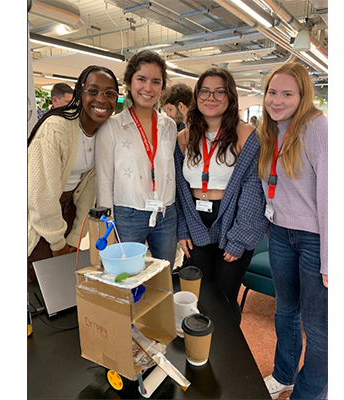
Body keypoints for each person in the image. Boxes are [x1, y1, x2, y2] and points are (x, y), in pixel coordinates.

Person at [174, 67, 268, 325]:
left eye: (219, 92)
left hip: (233, 221)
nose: (211, 98)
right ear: (196, 96)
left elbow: (253, 191)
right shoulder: (184, 137)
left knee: (224, 298)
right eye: (204, 91)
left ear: (230, 97)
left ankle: (229, 348)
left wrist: (240, 237)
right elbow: (179, 190)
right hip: (196, 220)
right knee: (201, 295)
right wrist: (182, 228)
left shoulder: (247, 134)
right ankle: (204, 347)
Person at [257, 63, 328, 399]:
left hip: (315, 239)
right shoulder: (270, 130)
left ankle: (309, 393)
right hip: (280, 234)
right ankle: (284, 374)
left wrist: (330, 258)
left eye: (287, 94)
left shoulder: (317, 127)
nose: (277, 100)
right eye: (272, 92)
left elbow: (331, 196)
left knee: (318, 328)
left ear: (303, 96)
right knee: (285, 310)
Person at [27, 66, 119, 283]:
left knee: (62, 281)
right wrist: (58, 244)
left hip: (67, 210)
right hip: (38, 214)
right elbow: (41, 195)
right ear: (80, 93)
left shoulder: (101, 133)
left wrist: (77, 235)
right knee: (38, 281)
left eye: (109, 93)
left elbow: (88, 191)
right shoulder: (56, 128)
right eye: (93, 91)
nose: (101, 99)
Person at [96, 50, 178, 267]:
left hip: (166, 213)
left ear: (162, 87)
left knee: (164, 275)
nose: (148, 88)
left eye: (156, 81)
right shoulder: (112, 127)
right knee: (127, 275)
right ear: (129, 83)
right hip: (128, 214)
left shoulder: (169, 126)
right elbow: (104, 180)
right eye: (141, 79)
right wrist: (108, 224)